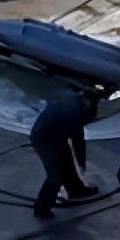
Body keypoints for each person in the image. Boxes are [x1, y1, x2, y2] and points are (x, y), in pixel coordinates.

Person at [30, 89, 99, 219]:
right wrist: (81, 162)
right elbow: (77, 139)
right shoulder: (76, 111)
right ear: (87, 103)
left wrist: (79, 161)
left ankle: (76, 190)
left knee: (67, 161)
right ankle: (42, 207)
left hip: (54, 135)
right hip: (45, 140)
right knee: (56, 175)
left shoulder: (72, 99)